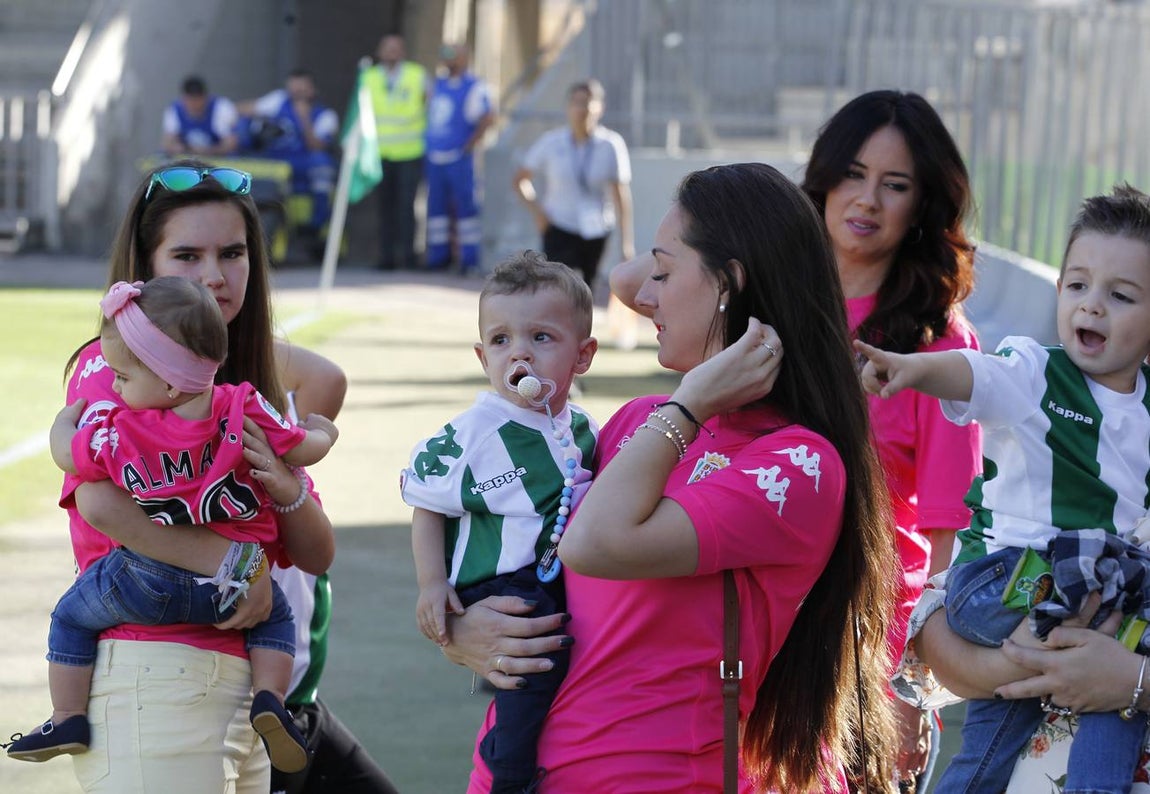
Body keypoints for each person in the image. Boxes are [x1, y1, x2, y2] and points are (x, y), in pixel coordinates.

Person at [442, 162, 899, 792]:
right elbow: (535, 559)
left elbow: (593, 544)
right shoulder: (640, 422)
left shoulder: (798, 463)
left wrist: (690, 402)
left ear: (728, 285)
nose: (642, 295)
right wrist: (464, 632)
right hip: (515, 775)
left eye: (664, 272)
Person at [10, 159, 391, 794]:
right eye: (186, 255)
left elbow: (314, 553)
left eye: (233, 253)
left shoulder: (241, 388)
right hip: (150, 676)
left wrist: (290, 488)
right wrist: (243, 566)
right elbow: (100, 503)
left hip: (238, 689)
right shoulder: (115, 372)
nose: (215, 276)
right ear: (144, 269)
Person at [7, 276, 340, 772]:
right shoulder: (242, 403)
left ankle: (67, 715)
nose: (116, 386)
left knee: (71, 616)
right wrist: (323, 431)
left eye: (123, 377)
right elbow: (300, 443)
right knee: (278, 620)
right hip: (231, 592)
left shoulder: (125, 429)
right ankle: (270, 700)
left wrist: (64, 425)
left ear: (165, 382)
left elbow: (71, 458)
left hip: (146, 581)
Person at [886, 185, 1150, 793]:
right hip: (1006, 585)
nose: (1093, 306)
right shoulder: (1036, 373)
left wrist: (1127, 676)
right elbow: (977, 373)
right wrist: (913, 370)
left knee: (1008, 753)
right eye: (1078, 286)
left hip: (1098, 610)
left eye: (1121, 295)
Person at [799, 88, 983, 790]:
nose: (867, 199)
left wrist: (911, 684)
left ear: (923, 205)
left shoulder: (940, 345)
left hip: (868, 642)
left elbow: (946, 538)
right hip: (756, 617)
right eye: (852, 173)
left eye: (894, 184)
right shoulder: (771, 304)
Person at [401, 251, 598, 793]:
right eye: (501, 340)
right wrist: (431, 584)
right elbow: (426, 501)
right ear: (482, 354)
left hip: (556, 570)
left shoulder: (581, 428)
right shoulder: (476, 433)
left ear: (582, 356)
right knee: (535, 671)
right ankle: (508, 777)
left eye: (541, 338)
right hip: (505, 583)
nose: (520, 355)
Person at [424, 41, 495, 274]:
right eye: (445, 53)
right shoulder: (437, 85)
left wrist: (468, 146)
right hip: (435, 157)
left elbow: (487, 117)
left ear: (465, 57)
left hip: (459, 158)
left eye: (454, 54)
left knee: (466, 209)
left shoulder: (474, 86)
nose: (449, 58)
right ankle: (438, 257)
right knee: (436, 211)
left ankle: (469, 259)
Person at [237, 70, 339, 232]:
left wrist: (304, 118)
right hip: (274, 159)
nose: (296, 94)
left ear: (312, 90)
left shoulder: (326, 115)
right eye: (293, 89)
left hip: (302, 162)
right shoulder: (278, 100)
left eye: (301, 89)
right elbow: (244, 109)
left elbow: (317, 146)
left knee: (322, 163)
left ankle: (316, 225)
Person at [364, 33, 429, 271]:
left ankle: (410, 257)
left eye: (396, 48)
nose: (391, 52)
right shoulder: (369, 77)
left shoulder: (417, 75)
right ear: (380, 51)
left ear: (403, 52)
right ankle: (387, 258)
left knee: (407, 208)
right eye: (387, 48)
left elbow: (429, 104)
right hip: (380, 154)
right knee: (385, 208)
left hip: (410, 152)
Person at [161, 75, 240, 157]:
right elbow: (167, 143)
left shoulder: (221, 108)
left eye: (198, 100)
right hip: (188, 159)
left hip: (218, 158)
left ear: (205, 97)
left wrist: (207, 151)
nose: (194, 104)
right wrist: (180, 148)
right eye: (190, 100)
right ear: (184, 98)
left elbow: (231, 144)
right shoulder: (174, 110)